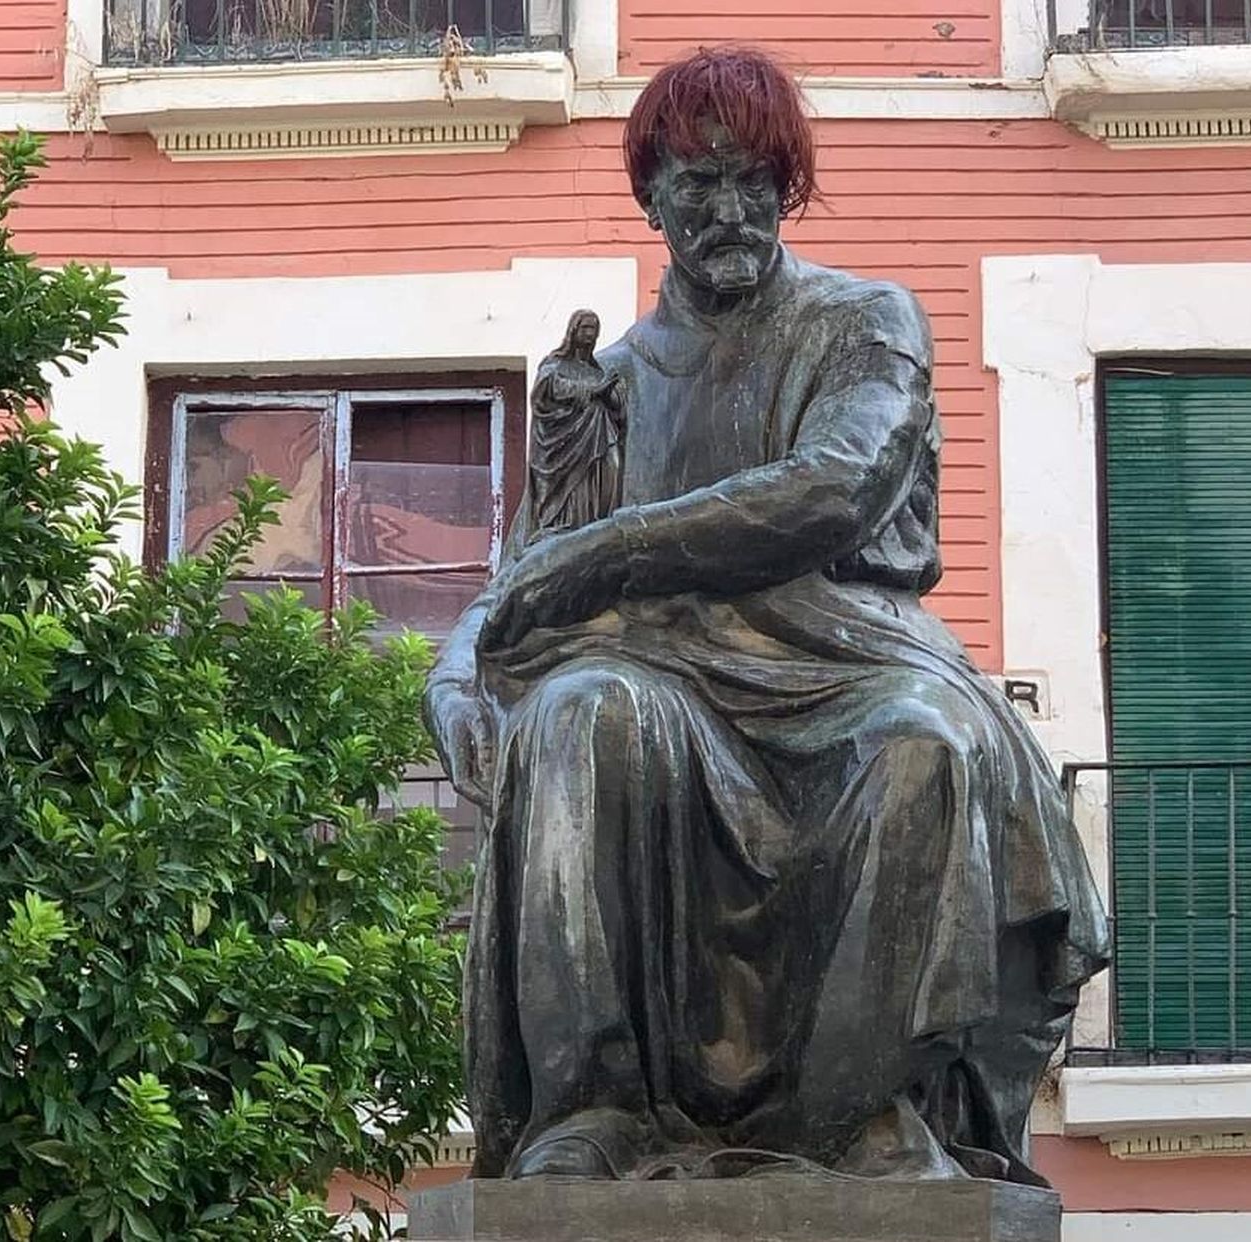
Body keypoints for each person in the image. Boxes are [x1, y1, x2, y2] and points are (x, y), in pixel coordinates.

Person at [424, 46, 1109, 1184]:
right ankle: (589, 1111)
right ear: (650, 194)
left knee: (922, 747)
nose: (731, 211)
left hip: (846, 656)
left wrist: (614, 549)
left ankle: (861, 1113)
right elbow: (529, 575)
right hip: (663, 678)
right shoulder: (615, 380)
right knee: (579, 712)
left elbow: (836, 486)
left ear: (788, 190)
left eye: (758, 184)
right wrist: (454, 673)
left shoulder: (865, 323)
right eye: (699, 184)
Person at [527, 310, 625, 540]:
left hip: (601, 433)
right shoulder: (555, 363)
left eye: (594, 329)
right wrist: (589, 391)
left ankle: (599, 524)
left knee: (614, 465)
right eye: (585, 328)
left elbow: (617, 408)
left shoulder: (597, 371)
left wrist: (610, 395)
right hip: (565, 445)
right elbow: (546, 388)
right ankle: (566, 523)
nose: (590, 334)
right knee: (574, 488)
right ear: (573, 330)